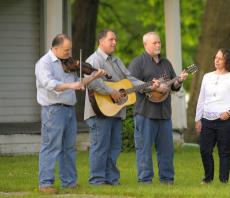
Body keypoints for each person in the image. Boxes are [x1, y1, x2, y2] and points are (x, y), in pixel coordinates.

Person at [84, 29, 159, 185]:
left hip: (116, 111)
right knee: (100, 147)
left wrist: (149, 86)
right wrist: (111, 91)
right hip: (99, 111)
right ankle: (97, 181)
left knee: (114, 148)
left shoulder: (116, 60)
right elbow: (92, 82)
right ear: (101, 41)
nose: (114, 42)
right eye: (111, 39)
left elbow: (130, 79)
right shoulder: (93, 60)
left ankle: (112, 180)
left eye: (115, 40)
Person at [35, 34, 106, 194]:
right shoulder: (44, 63)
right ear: (56, 48)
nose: (69, 53)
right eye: (66, 50)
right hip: (53, 110)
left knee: (68, 147)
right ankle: (45, 183)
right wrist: (71, 85)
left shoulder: (67, 63)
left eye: (70, 50)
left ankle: (69, 182)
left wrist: (94, 76)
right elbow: (50, 84)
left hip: (68, 109)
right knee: (51, 146)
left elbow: (79, 84)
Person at [128, 32, 188, 184]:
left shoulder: (166, 63)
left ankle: (167, 180)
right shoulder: (138, 62)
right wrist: (151, 87)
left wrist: (179, 80)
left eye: (159, 42)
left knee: (166, 150)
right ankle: (145, 181)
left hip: (164, 114)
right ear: (145, 44)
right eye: (154, 43)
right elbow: (131, 84)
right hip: (145, 113)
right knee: (144, 150)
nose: (158, 45)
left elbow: (174, 86)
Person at [194, 49, 230, 184]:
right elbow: (201, 99)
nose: (216, 60)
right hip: (207, 119)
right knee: (205, 150)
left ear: (227, 61)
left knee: (224, 151)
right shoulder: (207, 76)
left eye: (220, 58)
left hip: (226, 121)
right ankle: (208, 178)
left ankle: (223, 181)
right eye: (215, 57)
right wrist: (198, 119)